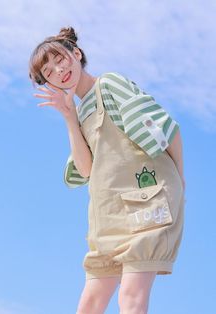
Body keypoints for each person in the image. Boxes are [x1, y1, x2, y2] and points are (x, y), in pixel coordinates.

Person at [29, 26, 185, 314]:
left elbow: (164, 129)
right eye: (48, 72)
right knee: (89, 303)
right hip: (109, 215)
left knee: (130, 295)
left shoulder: (109, 84)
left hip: (147, 201)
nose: (58, 71)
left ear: (76, 54)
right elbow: (86, 170)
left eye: (60, 59)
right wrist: (68, 117)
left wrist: (179, 180)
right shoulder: (80, 111)